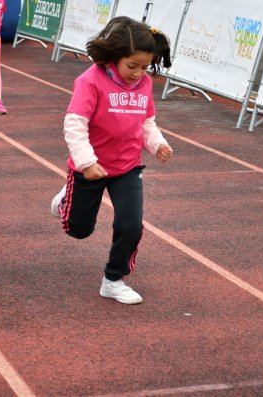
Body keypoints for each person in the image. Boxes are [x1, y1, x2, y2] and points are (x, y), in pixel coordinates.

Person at [50, 16, 174, 305]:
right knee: (79, 230)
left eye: (144, 67)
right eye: (132, 66)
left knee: (132, 225)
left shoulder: (143, 84)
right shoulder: (90, 81)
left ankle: (113, 279)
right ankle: (67, 199)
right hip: (90, 168)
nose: (138, 73)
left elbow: (147, 122)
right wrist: (86, 162)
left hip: (128, 167)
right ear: (115, 57)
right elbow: (74, 125)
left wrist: (157, 145)